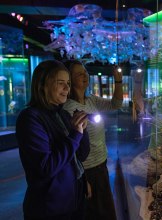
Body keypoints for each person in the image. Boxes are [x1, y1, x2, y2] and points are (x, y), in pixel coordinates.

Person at [15, 60, 90, 220]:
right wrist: (75, 135)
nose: (67, 88)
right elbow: (45, 167)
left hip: (74, 202)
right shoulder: (30, 118)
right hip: (50, 209)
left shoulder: (62, 114)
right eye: (60, 83)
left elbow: (81, 156)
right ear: (43, 85)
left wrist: (83, 130)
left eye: (68, 83)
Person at [63, 60, 123, 220]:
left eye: (85, 72)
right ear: (70, 79)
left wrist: (118, 80)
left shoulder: (91, 100)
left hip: (100, 165)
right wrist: (81, 178)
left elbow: (116, 104)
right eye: (79, 73)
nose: (85, 75)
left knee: (106, 211)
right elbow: (70, 147)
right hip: (87, 171)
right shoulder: (68, 108)